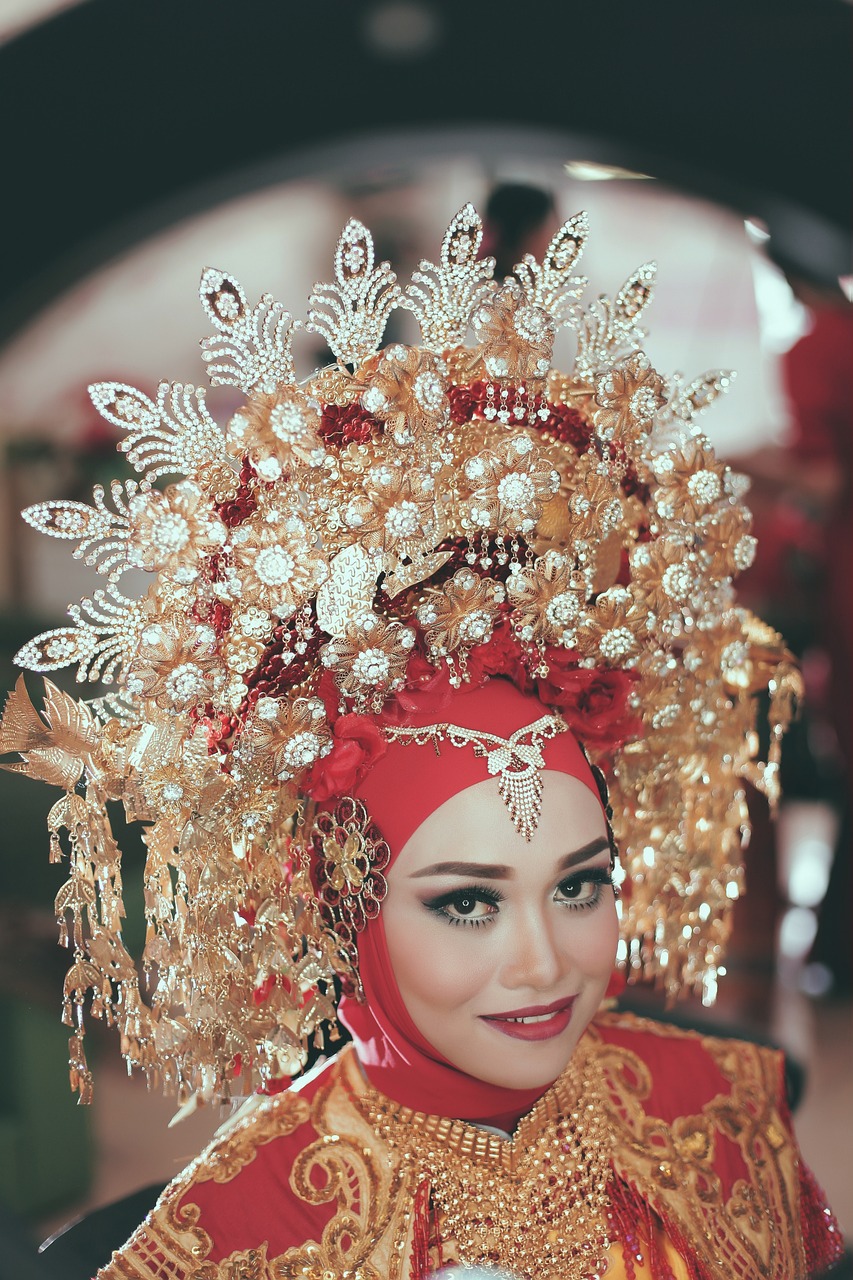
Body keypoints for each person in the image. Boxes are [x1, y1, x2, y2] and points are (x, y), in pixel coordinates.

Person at [0, 204, 842, 1279]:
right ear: (333, 898)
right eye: (467, 899)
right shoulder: (240, 1235)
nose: (544, 961)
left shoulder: (720, 1109)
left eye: (580, 885)